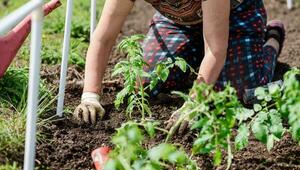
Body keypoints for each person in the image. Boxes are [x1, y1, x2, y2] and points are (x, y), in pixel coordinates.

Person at [73, 0, 285, 131]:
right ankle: (196, 55)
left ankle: (271, 39)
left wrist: (193, 103)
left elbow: (215, 49)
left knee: (235, 92)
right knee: (147, 82)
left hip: (236, 17)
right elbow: (103, 38)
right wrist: (90, 96)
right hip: (178, 22)